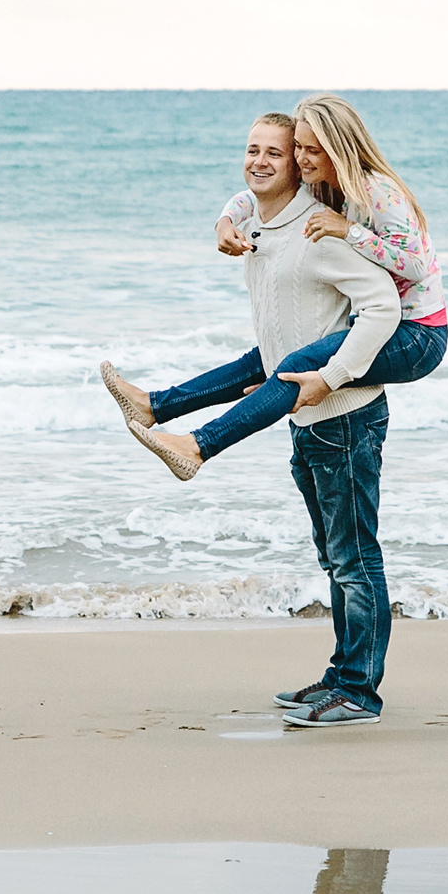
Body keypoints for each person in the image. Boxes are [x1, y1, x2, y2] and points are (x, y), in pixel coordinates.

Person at [106, 111, 403, 726]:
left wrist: (334, 375)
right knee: (333, 557)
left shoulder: (317, 234)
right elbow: (245, 212)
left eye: (277, 152)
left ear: (300, 164)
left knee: (354, 558)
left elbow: (382, 306)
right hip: (304, 422)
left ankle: (360, 692)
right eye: (253, 149)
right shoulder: (257, 226)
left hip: (344, 417)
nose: (261, 160)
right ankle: (341, 677)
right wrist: (225, 221)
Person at [100, 97, 448, 475]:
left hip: (417, 334)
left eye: (312, 150)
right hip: (380, 321)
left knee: (293, 365)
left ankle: (198, 446)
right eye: (298, 147)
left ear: (339, 149)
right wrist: (225, 220)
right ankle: (155, 406)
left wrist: (350, 232)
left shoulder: (377, 191)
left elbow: (415, 265)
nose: (301, 158)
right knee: (262, 358)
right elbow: (251, 195)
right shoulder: (322, 186)